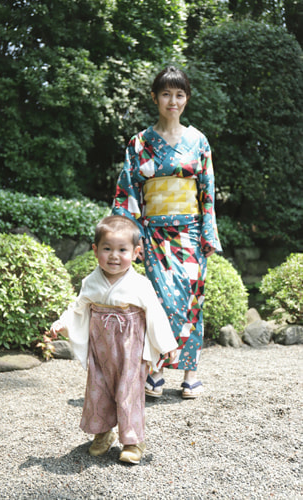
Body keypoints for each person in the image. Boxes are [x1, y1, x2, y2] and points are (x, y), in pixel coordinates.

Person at [112, 65, 222, 399]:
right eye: (165, 94)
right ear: (154, 97)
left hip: (189, 233)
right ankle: (156, 371)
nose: (172, 101)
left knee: (191, 300)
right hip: (153, 235)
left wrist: (207, 234)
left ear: (186, 99)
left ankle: (190, 374)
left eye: (179, 95)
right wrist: (131, 238)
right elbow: (127, 191)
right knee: (157, 302)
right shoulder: (140, 142)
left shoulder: (198, 141)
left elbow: (207, 192)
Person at [50, 215, 177, 464]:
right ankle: (103, 433)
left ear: (136, 252)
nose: (114, 256)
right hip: (100, 348)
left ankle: (132, 441)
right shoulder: (91, 282)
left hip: (130, 349)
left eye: (122, 250)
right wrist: (63, 322)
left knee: (128, 391)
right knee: (98, 390)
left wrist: (167, 343)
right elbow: (78, 308)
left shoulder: (140, 284)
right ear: (95, 250)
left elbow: (155, 313)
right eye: (107, 249)